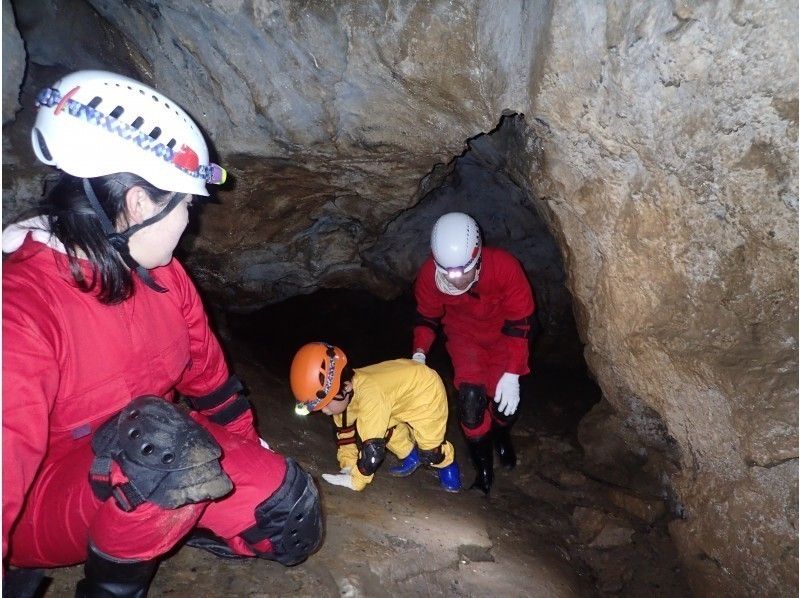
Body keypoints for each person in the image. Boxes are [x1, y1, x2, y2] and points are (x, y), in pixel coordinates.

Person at [2, 70, 322, 597]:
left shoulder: (165, 277)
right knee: (162, 453)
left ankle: (160, 517)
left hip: (151, 456)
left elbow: (211, 381)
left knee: (288, 515)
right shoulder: (21, 307)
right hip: (45, 501)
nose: (189, 223)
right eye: (185, 206)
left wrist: (248, 457)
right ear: (138, 204)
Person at [411, 212, 535, 495]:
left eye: (461, 271)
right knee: (470, 403)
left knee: (504, 403)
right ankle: (484, 472)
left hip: (505, 336)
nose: (454, 280)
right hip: (465, 338)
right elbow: (427, 318)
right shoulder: (431, 275)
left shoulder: (504, 267)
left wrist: (513, 372)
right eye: (447, 272)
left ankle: (502, 435)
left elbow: (522, 322)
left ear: (477, 255)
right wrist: (419, 354)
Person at [289, 342, 462, 493]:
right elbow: (344, 432)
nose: (324, 411)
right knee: (385, 428)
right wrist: (348, 465)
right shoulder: (345, 391)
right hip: (397, 393)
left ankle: (447, 463)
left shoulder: (369, 397)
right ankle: (410, 454)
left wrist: (355, 480)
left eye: (325, 404)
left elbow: (373, 451)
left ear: (346, 387)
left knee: (430, 451)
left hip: (425, 390)